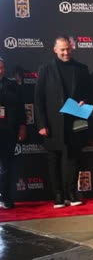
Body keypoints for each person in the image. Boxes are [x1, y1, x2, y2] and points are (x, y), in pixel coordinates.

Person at [35, 36, 93, 208]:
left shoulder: (81, 69)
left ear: (72, 48)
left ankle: (72, 193)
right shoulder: (45, 69)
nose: (66, 52)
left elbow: (90, 94)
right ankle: (58, 195)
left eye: (68, 49)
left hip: (76, 120)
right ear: (55, 50)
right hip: (52, 123)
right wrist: (41, 124)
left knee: (74, 159)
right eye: (62, 49)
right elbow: (38, 99)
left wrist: (85, 101)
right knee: (54, 159)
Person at [0, 57, 27, 209]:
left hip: (7, 131)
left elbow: (20, 108)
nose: (0, 70)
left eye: (2, 67)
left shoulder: (12, 85)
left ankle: (5, 196)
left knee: (6, 166)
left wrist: (22, 127)